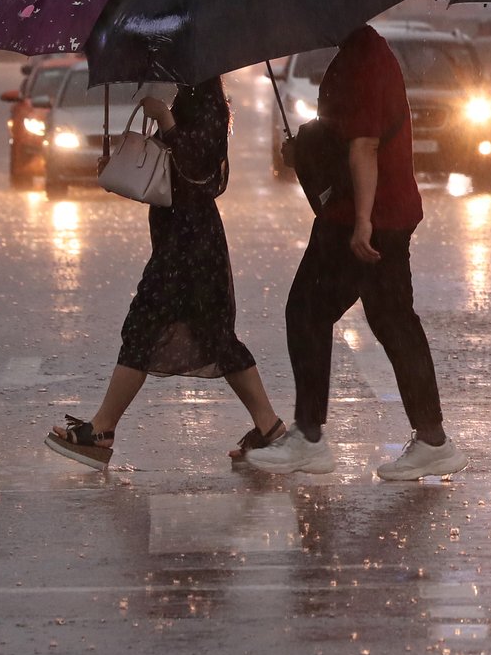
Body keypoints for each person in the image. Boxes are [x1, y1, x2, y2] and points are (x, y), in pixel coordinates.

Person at [248, 24, 466, 481]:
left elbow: (365, 145)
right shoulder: (358, 53)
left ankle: (310, 436)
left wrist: (363, 220)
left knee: (308, 310)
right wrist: (305, 149)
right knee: (392, 320)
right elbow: (343, 134)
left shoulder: (365, 60)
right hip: (374, 213)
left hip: (363, 218)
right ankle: (432, 439)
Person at [46, 80, 286, 470]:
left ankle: (103, 430)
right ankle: (269, 428)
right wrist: (118, 170)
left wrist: (166, 119)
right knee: (213, 334)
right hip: (179, 238)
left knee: (148, 326)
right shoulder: (190, 94)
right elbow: (166, 176)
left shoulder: (207, 101)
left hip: (192, 243)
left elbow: (198, 167)